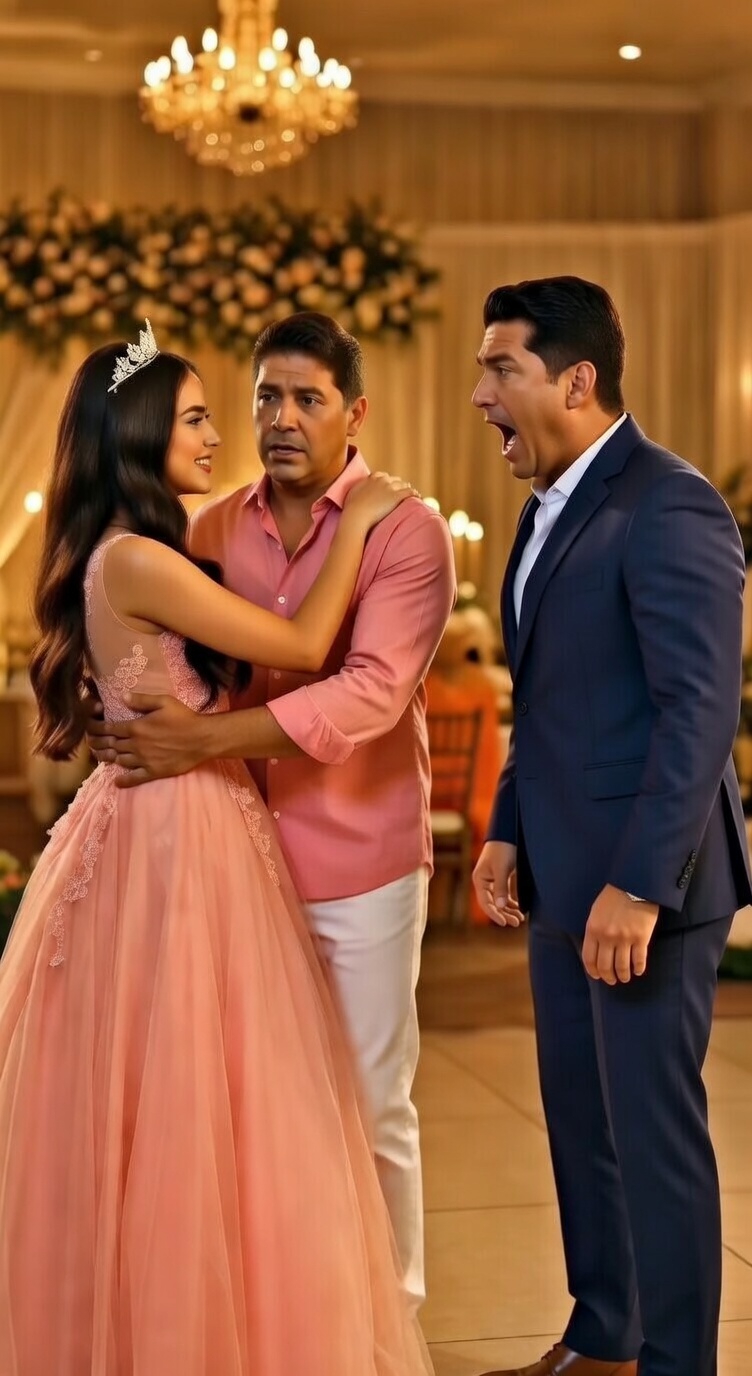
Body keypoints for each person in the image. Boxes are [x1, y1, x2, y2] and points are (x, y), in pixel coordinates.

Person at [0, 325, 435, 1376]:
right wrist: (355, 523)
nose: (235, 432)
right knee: (207, 1097)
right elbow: (298, 647)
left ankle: (339, 1314)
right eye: (206, 415)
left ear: (352, 412)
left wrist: (189, 726)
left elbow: (367, 688)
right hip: (185, 833)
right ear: (144, 432)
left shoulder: (150, 546)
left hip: (240, 831)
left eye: (300, 400)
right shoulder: (159, 549)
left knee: (271, 1099)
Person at [471, 276, 752, 1376]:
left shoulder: (669, 504)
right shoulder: (543, 509)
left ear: (575, 380)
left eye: (502, 368)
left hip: (647, 887)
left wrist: (637, 885)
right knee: (582, 1126)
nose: (481, 395)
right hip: (559, 876)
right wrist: (505, 826)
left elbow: (698, 712)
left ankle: (677, 1362)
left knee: (651, 1139)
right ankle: (603, 1339)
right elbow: (545, 699)